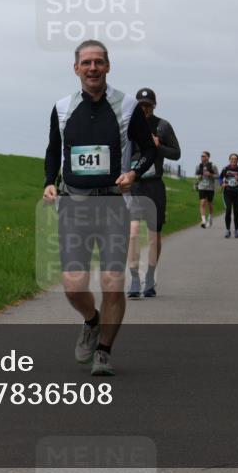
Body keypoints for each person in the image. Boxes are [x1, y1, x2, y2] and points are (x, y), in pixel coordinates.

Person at [44, 40, 156, 377]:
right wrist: (49, 181)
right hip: (73, 204)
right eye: (86, 63)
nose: (92, 68)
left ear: (108, 66)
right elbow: (53, 150)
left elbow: (149, 151)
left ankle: (104, 351)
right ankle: (91, 321)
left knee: (111, 280)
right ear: (76, 68)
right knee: (74, 285)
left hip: (112, 204)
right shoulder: (62, 107)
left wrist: (134, 172)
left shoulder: (127, 106)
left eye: (99, 62)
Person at [126, 88, 181, 299]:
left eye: (148, 105)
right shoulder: (129, 125)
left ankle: (149, 277)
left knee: (153, 236)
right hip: (135, 185)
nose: (145, 108)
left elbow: (176, 153)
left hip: (155, 186)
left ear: (154, 105)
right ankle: (133, 278)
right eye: (141, 105)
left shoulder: (163, 126)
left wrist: (159, 146)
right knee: (132, 233)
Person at [220, 153, 238, 239]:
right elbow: (220, 178)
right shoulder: (225, 169)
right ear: (229, 160)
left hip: (237, 194)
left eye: (235, 159)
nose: (233, 160)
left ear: (237, 160)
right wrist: (222, 183)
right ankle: (227, 230)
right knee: (228, 210)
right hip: (227, 193)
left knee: (236, 212)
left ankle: (236, 230)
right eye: (232, 159)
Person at [196, 152, 218, 228]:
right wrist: (199, 177)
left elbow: (217, 176)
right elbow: (197, 175)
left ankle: (210, 218)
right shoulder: (199, 166)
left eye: (204, 156)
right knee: (202, 202)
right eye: (201, 156)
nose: (202, 157)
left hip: (210, 188)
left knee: (209, 204)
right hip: (201, 187)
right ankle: (203, 220)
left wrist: (211, 175)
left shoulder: (213, 166)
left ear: (208, 157)